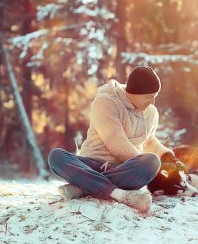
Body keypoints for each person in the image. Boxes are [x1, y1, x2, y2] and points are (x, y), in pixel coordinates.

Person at [47, 66, 176, 212]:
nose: (152, 102)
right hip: (92, 164)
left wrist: (165, 155)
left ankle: (83, 187)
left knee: (152, 161)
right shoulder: (106, 102)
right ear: (135, 92)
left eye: (155, 96)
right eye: (149, 96)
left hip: (122, 170)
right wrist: (143, 167)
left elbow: (149, 140)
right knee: (56, 156)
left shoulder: (151, 112)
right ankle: (120, 194)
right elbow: (116, 142)